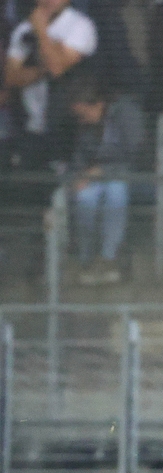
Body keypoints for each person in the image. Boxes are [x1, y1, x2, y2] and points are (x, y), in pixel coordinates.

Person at [69, 76, 145, 285]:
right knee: (85, 197)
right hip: (97, 176)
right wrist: (78, 178)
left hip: (129, 174)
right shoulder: (85, 124)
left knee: (116, 193)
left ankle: (108, 257)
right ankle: (86, 258)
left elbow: (136, 153)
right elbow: (80, 158)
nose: (81, 119)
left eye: (85, 113)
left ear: (99, 104)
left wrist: (102, 170)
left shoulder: (126, 113)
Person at [4, 0, 98, 170]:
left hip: (68, 128)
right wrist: (43, 69)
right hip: (31, 128)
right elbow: (11, 77)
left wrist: (41, 30)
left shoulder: (80, 25)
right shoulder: (24, 29)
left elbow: (56, 68)